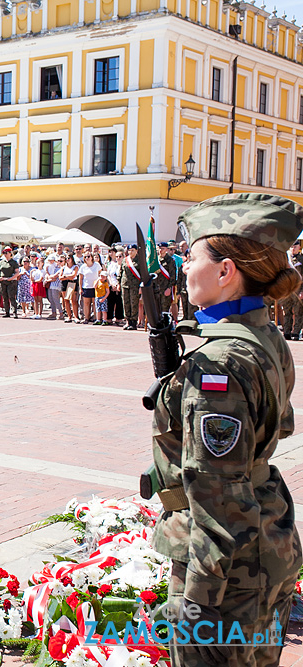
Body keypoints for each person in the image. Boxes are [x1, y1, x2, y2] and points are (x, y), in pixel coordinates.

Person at [148, 193, 303, 667]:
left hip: (229, 574)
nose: (183, 268)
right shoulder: (264, 335)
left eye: (191, 257)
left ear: (225, 271)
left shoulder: (218, 364)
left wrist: (198, 600)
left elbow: (218, 492)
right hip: (266, 542)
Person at [120, 244, 141, 330]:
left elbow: (143, 274)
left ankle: (133, 322)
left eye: (132, 250)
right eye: (129, 250)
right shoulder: (125, 260)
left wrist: (141, 286)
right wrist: (118, 283)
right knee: (126, 303)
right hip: (125, 284)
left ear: (136, 251)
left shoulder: (139, 261)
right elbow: (121, 272)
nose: (130, 252)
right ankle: (128, 321)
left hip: (135, 286)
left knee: (134, 304)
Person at [78, 252, 102, 323]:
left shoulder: (97, 265)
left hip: (95, 287)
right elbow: (81, 278)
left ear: (91, 257)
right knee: (86, 303)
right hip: (86, 286)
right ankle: (86, 318)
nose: (87, 258)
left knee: (95, 303)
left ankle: (95, 317)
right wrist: (80, 288)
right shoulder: (83, 267)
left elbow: (100, 274)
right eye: (85, 257)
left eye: (88, 256)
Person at [0, 247, 20, 318]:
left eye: (6, 253)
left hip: (11, 281)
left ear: (10, 253)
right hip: (3, 281)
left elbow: (17, 272)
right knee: (4, 297)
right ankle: (7, 312)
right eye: (4, 253)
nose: (5, 254)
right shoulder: (1, 262)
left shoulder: (14, 262)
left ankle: (14, 312)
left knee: (12, 297)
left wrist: (11, 278)